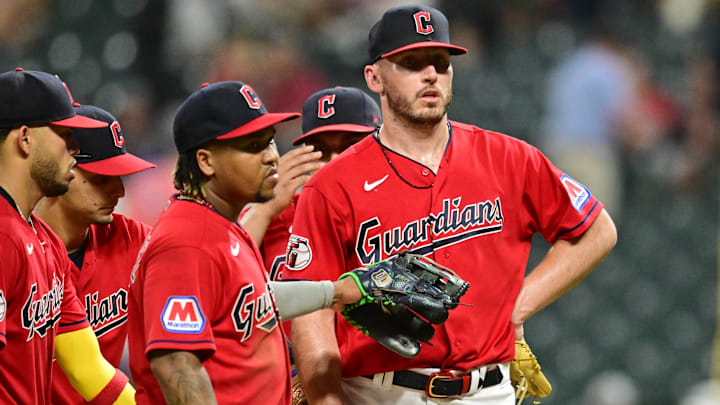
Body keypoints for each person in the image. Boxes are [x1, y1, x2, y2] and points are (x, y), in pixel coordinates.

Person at [287, 5, 618, 405]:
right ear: (374, 77)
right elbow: (310, 313)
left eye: (441, 63)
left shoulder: (509, 157)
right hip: (382, 392)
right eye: (411, 63)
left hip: (488, 390)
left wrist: (518, 306)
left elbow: (597, 230)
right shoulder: (332, 185)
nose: (430, 75)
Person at [126, 81, 368, 404]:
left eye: (270, 142)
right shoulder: (186, 242)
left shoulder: (220, 225)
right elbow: (176, 364)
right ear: (206, 161)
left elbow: (255, 304)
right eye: (253, 147)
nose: (271, 158)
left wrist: (335, 293)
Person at [0, 68, 136, 404]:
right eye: (65, 134)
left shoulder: (43, 239)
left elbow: (89, 370)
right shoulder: (3, 237)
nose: (75, 148)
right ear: (25, 138)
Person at [34, 104, 156, 404]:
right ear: (63, 169)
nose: (119, 191)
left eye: (121, 176)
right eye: (102, 179)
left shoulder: (132, 239)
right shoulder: (17, 250)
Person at [240, 86, 382, 281]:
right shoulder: (275, 213)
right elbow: (217, 276)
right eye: (320, 150)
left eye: (351, 147)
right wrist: (265, 209)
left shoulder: (407, 207)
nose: (334, 162)